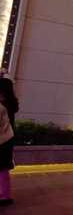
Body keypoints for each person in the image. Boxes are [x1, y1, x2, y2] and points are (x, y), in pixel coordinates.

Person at [0, 78, 18, 207]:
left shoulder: (2, 106)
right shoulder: (11, 103)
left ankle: (4, 195)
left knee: (2, 167)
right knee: (3, 167)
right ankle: (5, 195)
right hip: (8, 137)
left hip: (3, 138)